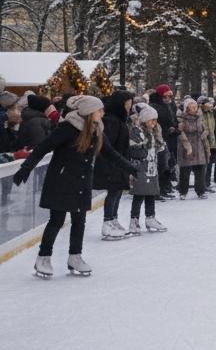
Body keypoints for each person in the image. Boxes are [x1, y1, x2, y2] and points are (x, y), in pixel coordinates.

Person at [13, 95, 138, 278]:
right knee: (56, 221)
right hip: (61, 180)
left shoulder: (96, 130)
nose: (103, 113)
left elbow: (110, 153)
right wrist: (26, 168)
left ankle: (75, 256)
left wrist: (130, 168)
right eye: (99, 110)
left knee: (79, 220)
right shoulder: (67, 129)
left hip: (82, 181)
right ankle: (43, 258)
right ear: (89, 112)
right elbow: (43, 148)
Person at [93, 90, 136, 240]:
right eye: (127, 103)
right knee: (113, 190)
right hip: (112, 163)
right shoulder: (112, 120)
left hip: (120, 161)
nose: (130, 106)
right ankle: (107, 221)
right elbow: (107, 145)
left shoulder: (120, 118)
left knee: (118, 190)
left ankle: (113, 219)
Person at [126, 103, 168, 234]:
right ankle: (134, 220)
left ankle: (150, 217)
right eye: (151, 120)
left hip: (151, 166)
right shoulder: (137, 131)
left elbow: (159, 147)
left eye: (155, 120)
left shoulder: (154, 132)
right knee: (139, 194)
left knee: (151, 192)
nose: (154, 123)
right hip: (140, 166)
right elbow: (136, 149)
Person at [149, 85, 179, 199]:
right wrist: (166, 130)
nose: (168, 99)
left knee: (169, 163)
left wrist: (175, 128)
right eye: (165, 96)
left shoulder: (170, 105)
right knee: (161, 164)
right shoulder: (155, 107)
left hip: (170, 138)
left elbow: (173, 119)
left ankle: (165, 186)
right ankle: (158, 189)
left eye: (169, 96)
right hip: (160, 138)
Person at [176, 99, 209, 199]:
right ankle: (183, 191)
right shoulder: (181, 119)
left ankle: (200, 190)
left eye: (194, 107)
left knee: (200, 169)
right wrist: (186, 144)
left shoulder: (200, 117)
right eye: (190, 107)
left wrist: (205, 134)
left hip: (199, 145)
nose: (193, 109)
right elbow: (180, 132)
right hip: (187, 145)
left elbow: (205, 128)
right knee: (185, 170)